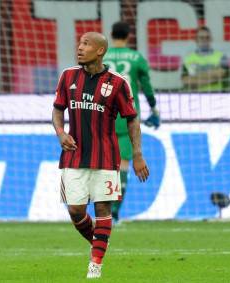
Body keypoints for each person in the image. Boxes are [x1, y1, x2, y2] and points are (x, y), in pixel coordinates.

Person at [52, 31, 149, 279]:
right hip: (74, 156)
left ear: (100, 50)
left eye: (86, 44)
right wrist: (61, 132)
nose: (80, 47)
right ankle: (99, 240)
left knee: (103, 208)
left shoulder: (117, 83)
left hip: (105, 157)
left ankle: (95, 265)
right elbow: (57, 110)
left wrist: (137, 155)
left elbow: (132, 119)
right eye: (79, 43)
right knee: (75, 210)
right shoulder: (68, 76)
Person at [103, 21, 160, 224]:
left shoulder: (101, 56)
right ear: (128, 36)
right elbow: (146, 87)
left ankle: (98, 210)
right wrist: (154, 109)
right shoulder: (136, 58)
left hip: (101, 114)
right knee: (123, 165)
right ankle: (115, 213)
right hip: (126, 115)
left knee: (101, 165)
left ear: (111, 34)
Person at [181, 26, 228, 92]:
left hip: (216, 95)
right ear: (196, 40)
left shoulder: (221, 56)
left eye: (207, 37)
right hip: (195, 96)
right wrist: (213, 78)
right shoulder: (188, 59)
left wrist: (194, 77)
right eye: (201, 38)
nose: (205, 40)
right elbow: (185, 80)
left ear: (211, 39)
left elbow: (220, 74)